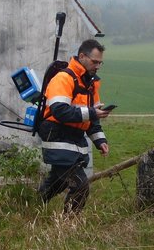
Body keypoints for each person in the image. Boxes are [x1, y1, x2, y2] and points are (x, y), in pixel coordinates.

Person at [37, 38, 111, 212]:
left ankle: (32, 206)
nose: (98, 66)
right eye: (95, 62)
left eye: (101, 63)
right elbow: (60, 111)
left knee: (58, 181)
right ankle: (68, 224)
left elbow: (92, 119)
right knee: (80, 185)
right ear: (82, 56)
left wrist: (100, 140)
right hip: (57, 137)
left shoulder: (92, 83)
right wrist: (92, 113)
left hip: (75, 140)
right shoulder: (63, 78)